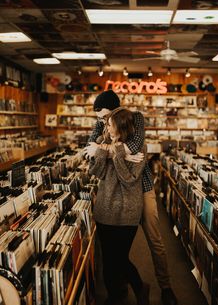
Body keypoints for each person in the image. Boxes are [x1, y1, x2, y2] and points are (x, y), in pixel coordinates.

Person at [84, 90, 178, 305]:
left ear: (116, 110)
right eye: (101, 118)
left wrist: (103, 149)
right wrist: (110, 150)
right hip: (113, 189)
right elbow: (90, 151)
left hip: (140, 187)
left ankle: (166, 287)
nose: (103, 122)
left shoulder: (135, 118)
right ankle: (120, 289)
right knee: (113, 252)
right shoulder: (101, 123)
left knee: (154, 239)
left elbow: (134, 148)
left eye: (107, 117)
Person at [89, 107, 149, 305]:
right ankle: (114, 294)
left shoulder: (139, 148)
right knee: (108, 258)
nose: (105, 126)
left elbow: (129, 180)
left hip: (127, 211)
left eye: (109, 123)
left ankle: (140, 288)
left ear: (120, 126)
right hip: (104, 209)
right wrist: (107, 152)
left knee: (120, 258)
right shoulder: (104, 143)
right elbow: (96, 171)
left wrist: (116, 156)